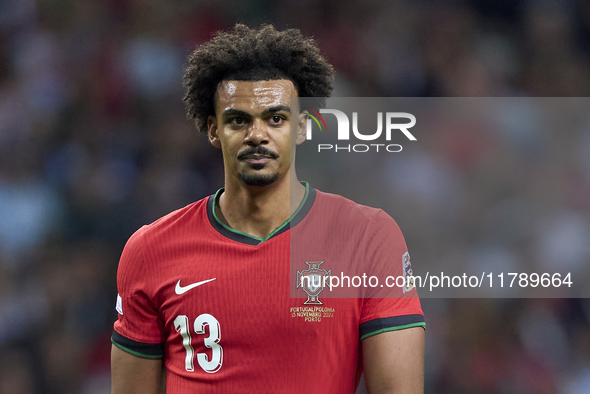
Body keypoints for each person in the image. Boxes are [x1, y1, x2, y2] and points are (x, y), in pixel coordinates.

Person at [111, 24, 425, 393]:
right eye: (238, 120)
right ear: (213, 130)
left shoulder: (368, 236)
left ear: (303, 127)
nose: (257, 134)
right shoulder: (150, 250)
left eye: (276, 118)